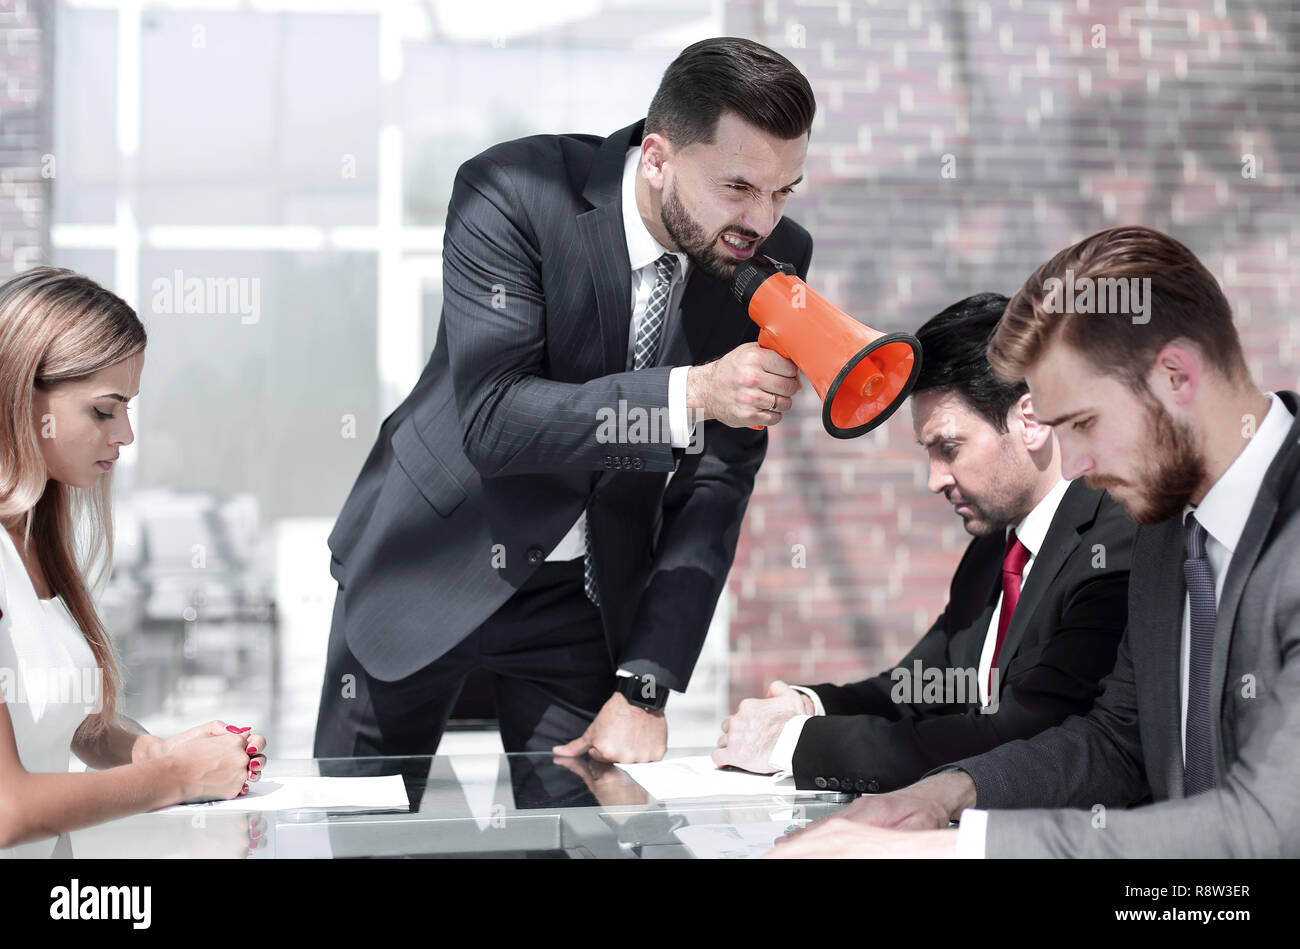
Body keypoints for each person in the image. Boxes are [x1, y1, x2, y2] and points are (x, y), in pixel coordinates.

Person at [314, 37, 816, 763]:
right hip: (426, 562)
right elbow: (494, 418)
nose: (762, 222)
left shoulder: (769, 256)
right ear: (656, 158)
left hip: (581, 604)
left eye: (783, 191)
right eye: (738, 187)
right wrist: (696, 391)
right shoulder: (513, 191)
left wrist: (648, 682)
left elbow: (719, 479)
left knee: (589, 837)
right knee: (361, 832)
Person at [769, 225, 1300, 858]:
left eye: (1083, 423)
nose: (1071, 465)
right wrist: (947, 796)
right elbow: (1117, 741)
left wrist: (945, 851)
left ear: (1176, 376)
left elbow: (1266, 829)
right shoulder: (1168, 531)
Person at [712, 293, 1135, 792]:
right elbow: (918, 684)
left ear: (1031, 420)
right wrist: (809, 705)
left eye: (949, 448)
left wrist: (792, 744)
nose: (935, 479)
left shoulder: (1113, 546)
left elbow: (1023, 734)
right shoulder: (994, 549)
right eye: (928, 452)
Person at [0, 266, 267, 858]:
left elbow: (60, 722)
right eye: (103, 410)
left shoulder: (32, 543)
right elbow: (7, 811)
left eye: (128, 409)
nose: (125, 434)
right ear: (21, 394)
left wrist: (154, 753)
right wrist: (177, 778)